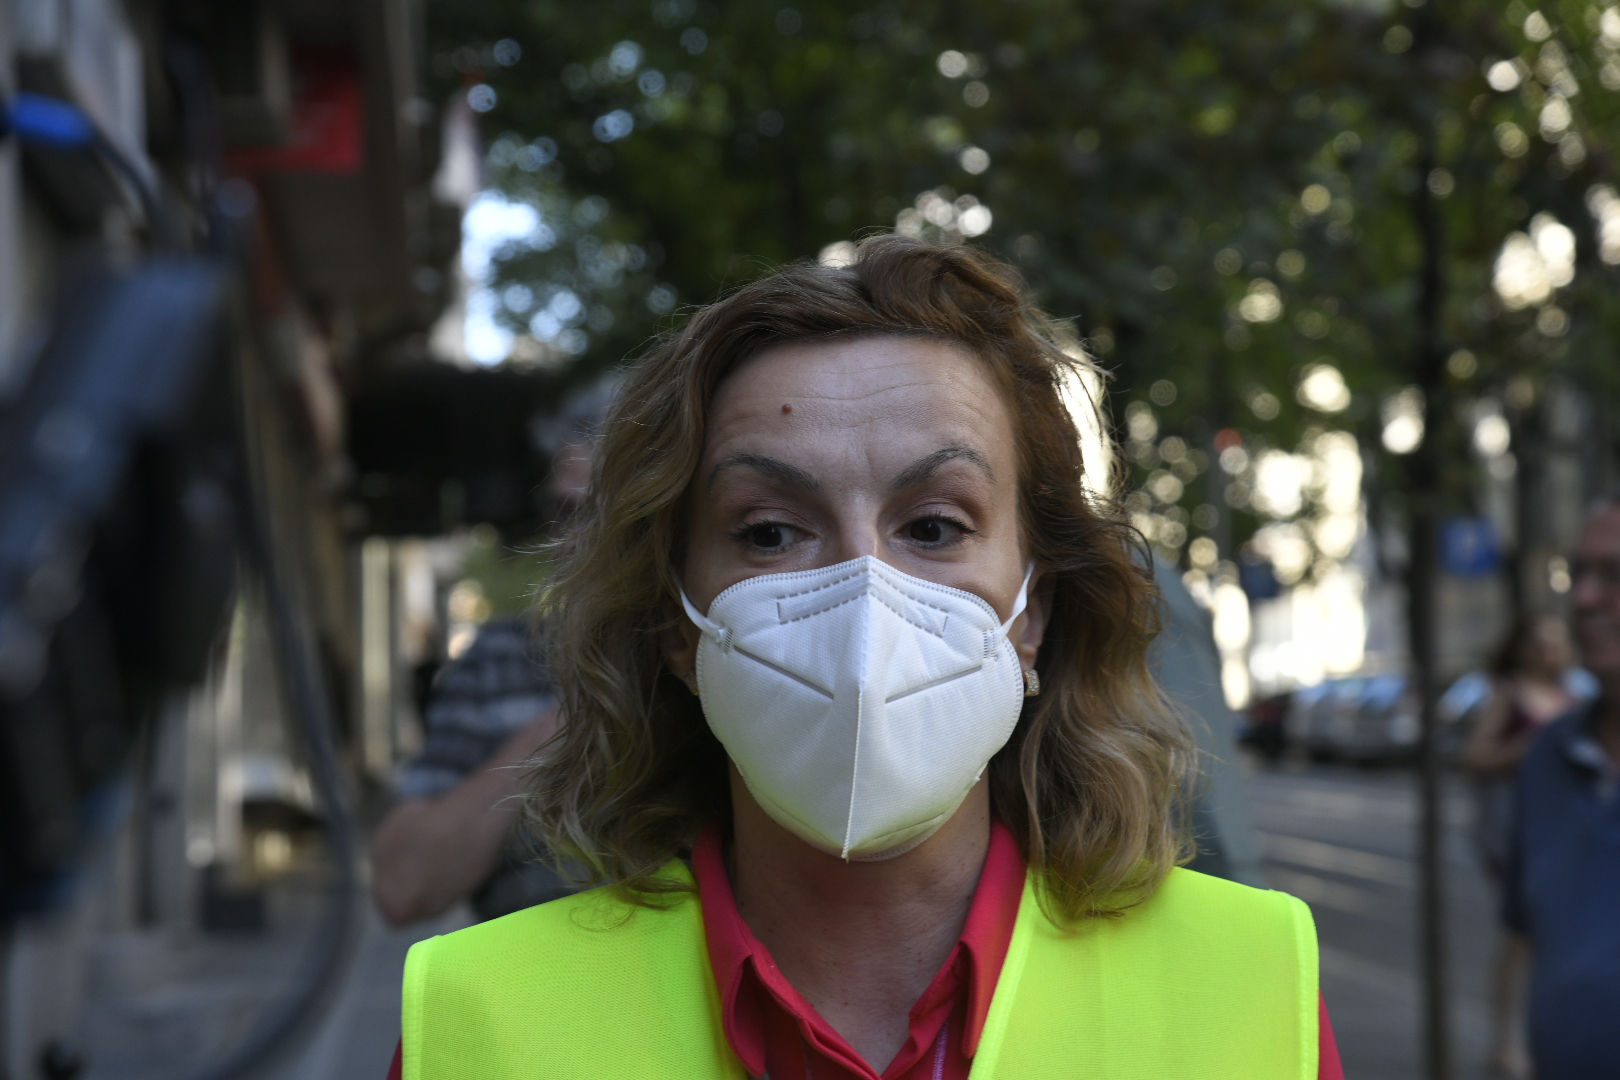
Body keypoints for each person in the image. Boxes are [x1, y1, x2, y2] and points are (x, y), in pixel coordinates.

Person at [390, 237, 1340, 1079]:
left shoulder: (1251, 988)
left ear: (1034, 612)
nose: (862, 599)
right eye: (769, 533)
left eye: (934, 526)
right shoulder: (480, 1023)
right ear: (676, 624)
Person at [370, 383, 610, 925]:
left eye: (603, 513)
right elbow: (404, 887)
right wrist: (580, 710)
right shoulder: (502, 659)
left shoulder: (736, 659)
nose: (573, 541)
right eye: (563, 512)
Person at [1505, 495, 1620, 1079]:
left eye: (1613, 574)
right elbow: (1523, 933)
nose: (1584, 598)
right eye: (1578, 574)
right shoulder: (1549, 754)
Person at [1464, 613, 1579, 1078]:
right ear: (1521, 648)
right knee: (1520, 934)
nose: (1548, 652)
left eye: (1555, 643)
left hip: (1564, 828)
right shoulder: (1509, 694)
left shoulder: (1572, 696)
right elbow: (1475, 755)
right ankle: (1506, 1040)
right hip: (1514, 830)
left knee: (1560, 934)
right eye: (1539, 643)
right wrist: (1525, 748)